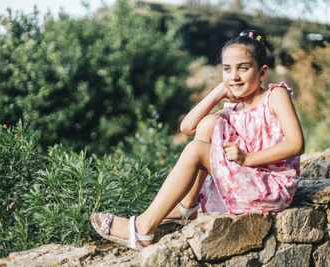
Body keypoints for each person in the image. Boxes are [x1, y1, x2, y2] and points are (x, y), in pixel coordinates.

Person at [91, 29, 305, 248]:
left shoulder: (274, 96)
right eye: (227, 69)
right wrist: (218, 93)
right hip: (249, 180)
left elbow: (297, 144)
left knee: (196, 151)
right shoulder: (235, 109)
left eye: (243, 68)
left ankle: (143, 228)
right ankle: (188, 205)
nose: (234, 76)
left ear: (262, 73)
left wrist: (247, 158)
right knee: (208, 124)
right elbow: (188, 127)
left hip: (271, 187)